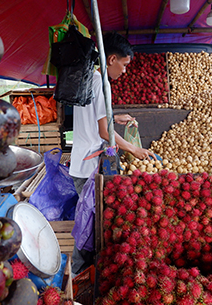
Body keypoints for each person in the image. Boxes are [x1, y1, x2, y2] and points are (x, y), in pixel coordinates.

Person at [69, 32, 155, 276]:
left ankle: (85, 272)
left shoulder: (89, 78)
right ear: (112, 59)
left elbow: (95, 117)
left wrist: (116, 116)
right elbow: (103, 130)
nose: (125, 71)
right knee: (89, 228)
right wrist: (133, 149)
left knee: (90, 224)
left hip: (81, 162)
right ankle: (78, 277)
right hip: (87, 167)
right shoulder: (100, 82)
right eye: (124, 65)